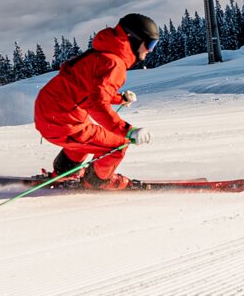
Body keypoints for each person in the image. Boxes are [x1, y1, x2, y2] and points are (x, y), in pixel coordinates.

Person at [33, 13, 157, 189]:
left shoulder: (103, 53)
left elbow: (89, 90)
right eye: (150, 44)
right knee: (118, 144)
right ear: (134, 39)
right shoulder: (115, 64)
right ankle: (96, 181)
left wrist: (119, 98)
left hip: (49, 111)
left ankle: (63, 173)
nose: (150, 50)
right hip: (62, 121)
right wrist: (128, 131)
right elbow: (96, 104)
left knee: (85, 138)